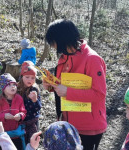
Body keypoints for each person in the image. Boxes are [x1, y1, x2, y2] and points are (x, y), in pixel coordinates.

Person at [43, 19, 107, 150]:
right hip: (68, 122)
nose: (53, 46)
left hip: (88, 127)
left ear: (62, 39)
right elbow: (66, 84)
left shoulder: (92, 59)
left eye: (53, 42)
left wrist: (67, 92)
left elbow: (99, 94)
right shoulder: (65, 56)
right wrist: (51, 85)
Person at [0, 73, 27, 150]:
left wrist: (20, 116)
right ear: (3, 88)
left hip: (15, 134)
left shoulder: (19, 98)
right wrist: (3, 116)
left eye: (14, 84)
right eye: (9, 85)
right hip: (2, 133)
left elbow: (24, 112)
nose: (13, 86)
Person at [17, 61, 41, 144]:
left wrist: (35, 100)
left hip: (32, 120)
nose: (30, 80)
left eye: (32, 78)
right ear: (22, 76)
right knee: (21, 141)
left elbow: (38, 108)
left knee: (31, 142)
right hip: (20, 120)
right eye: (27, 77)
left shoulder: (34, 90)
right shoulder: (18, 88)